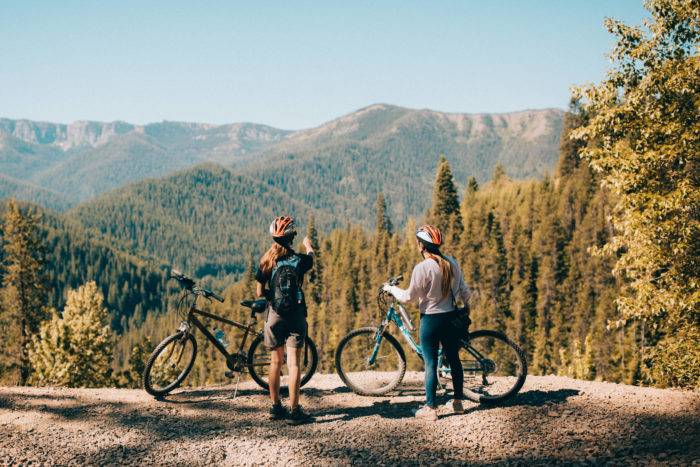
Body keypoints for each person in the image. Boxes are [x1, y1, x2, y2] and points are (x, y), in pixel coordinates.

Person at [383, 224, 470, 421]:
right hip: (451, 317)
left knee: (430, 363)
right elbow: (465, 290)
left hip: (431, 320)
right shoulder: (452, 263)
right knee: (454, 360)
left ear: (422, 246)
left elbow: (407, 298)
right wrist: (466, 308)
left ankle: (430, 408)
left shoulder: (423, 268)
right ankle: (458, 403)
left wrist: (391, 289)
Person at [255, 215, 314, 425]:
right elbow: (311, 258)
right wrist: (308, 245)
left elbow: (260, 291)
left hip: (275, 316)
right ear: (291, 238)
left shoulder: (266, 262)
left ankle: (275, 407)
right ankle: (295, 410)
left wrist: (273, 297)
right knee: (294, 364)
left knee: (275, 362)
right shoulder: (299, 260)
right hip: (296, 315)